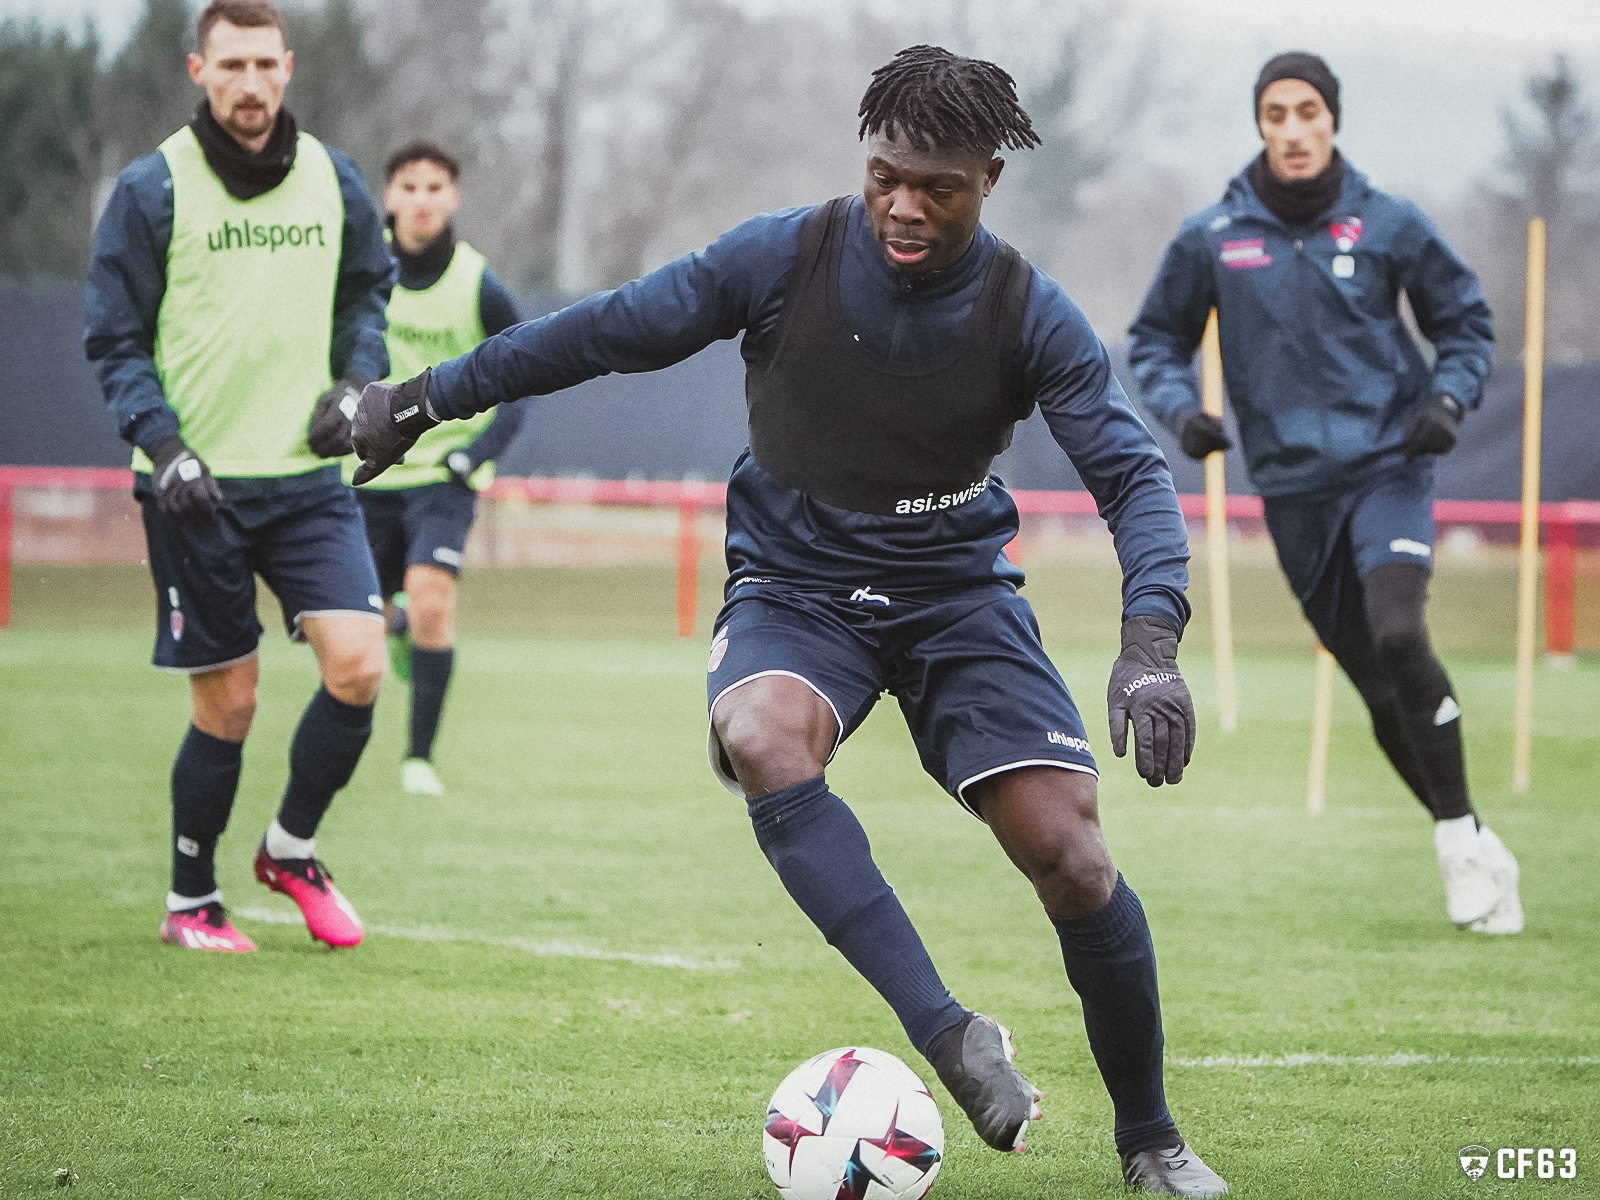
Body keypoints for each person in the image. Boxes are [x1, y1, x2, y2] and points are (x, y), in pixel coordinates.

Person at [353, 45, 1228, 1197]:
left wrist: (1150, 647)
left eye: (939, 188)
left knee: (1068, 852)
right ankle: (950, 1035)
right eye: (886, 179)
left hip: (956, 596)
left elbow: (1133, 477)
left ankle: (1151, 1141)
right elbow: (603, 331)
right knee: (761, 734)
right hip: (798, 584)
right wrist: (425, 397)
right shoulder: (782, 257)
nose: (905, 207)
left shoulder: (1030, 312)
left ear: (988, 182)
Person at [1128, 52, 1521, 935]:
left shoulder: (1389, 223)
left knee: (1399, 632)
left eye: (1309, 110)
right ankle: (1476, 838)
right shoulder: (1212, 236)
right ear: (1260, 125)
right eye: (1277, 113)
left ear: (1332, 119)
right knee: (1375, 686)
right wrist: (1183, 413)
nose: (1295, 128)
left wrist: (1449, 400)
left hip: (1390, 468)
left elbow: (1465, 321)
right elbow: (1154, 340)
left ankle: (1459, 843)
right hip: (1291, 491)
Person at [84, 0, 394, 952]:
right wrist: (162, 443)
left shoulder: (334, 180)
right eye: (232, 67)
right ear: (198, 73)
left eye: (265, 64)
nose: (251, 84)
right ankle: (191, 903)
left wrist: (353, 385)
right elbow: (115, 338)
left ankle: (290, 848)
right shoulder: (151, 189)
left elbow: (365, 295)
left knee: (361, 664)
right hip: (194, 486)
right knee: (232, 702)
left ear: (288, 67)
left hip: (304, 480)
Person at [338, 141, 527, 797]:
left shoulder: (477, 283)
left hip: (441, 481)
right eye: (409, 187)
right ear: (389, 197)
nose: (422, 199)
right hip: (365, 477)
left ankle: (418, 759)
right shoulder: (359, 269)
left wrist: (470, 456)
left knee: (431, 599)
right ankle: (391, 628)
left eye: (435, 187)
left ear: (453, 198)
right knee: (346, 624)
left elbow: (520, 379)